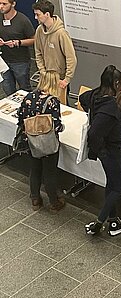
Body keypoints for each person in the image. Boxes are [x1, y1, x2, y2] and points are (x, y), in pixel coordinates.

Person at [79, 65, 121, 237]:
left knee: (111, 183)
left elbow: (82, 98)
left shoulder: (95, 95)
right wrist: (99, 148)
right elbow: (94, 132)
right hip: (111, 151)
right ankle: (100, 221)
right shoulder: (109, 108)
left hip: (106, 150)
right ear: (116, 83)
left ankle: (114, 221)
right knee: (118, 186)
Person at [17, 72, 65, 213]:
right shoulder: (52, 101)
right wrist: (62, 128)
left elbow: (20, 117)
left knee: (35, 170)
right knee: (49, 173)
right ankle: (54, 202)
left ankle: (35, 199)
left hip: (31, 142)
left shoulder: (29, 97)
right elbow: (56, 125)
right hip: (47, 144)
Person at [32, 0, 77, 103]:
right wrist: (42, 71)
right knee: (46, 103)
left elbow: (71, 58)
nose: (35, 17)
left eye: (37, 15)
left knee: (61, 104)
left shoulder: (61, 33)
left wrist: (66, 79)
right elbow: (38, 52)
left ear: (47, 14)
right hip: (46, 76)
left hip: (60, 78)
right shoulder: (39, 30)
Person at [0, 0, 35, 95]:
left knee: (24, 90)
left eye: (4, 4)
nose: (1, 6)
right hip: (3, 62)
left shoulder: (23, 20)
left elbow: (34, 39)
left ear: (13, 4)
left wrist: (18, 42)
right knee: (8, 89)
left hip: (20, 61)